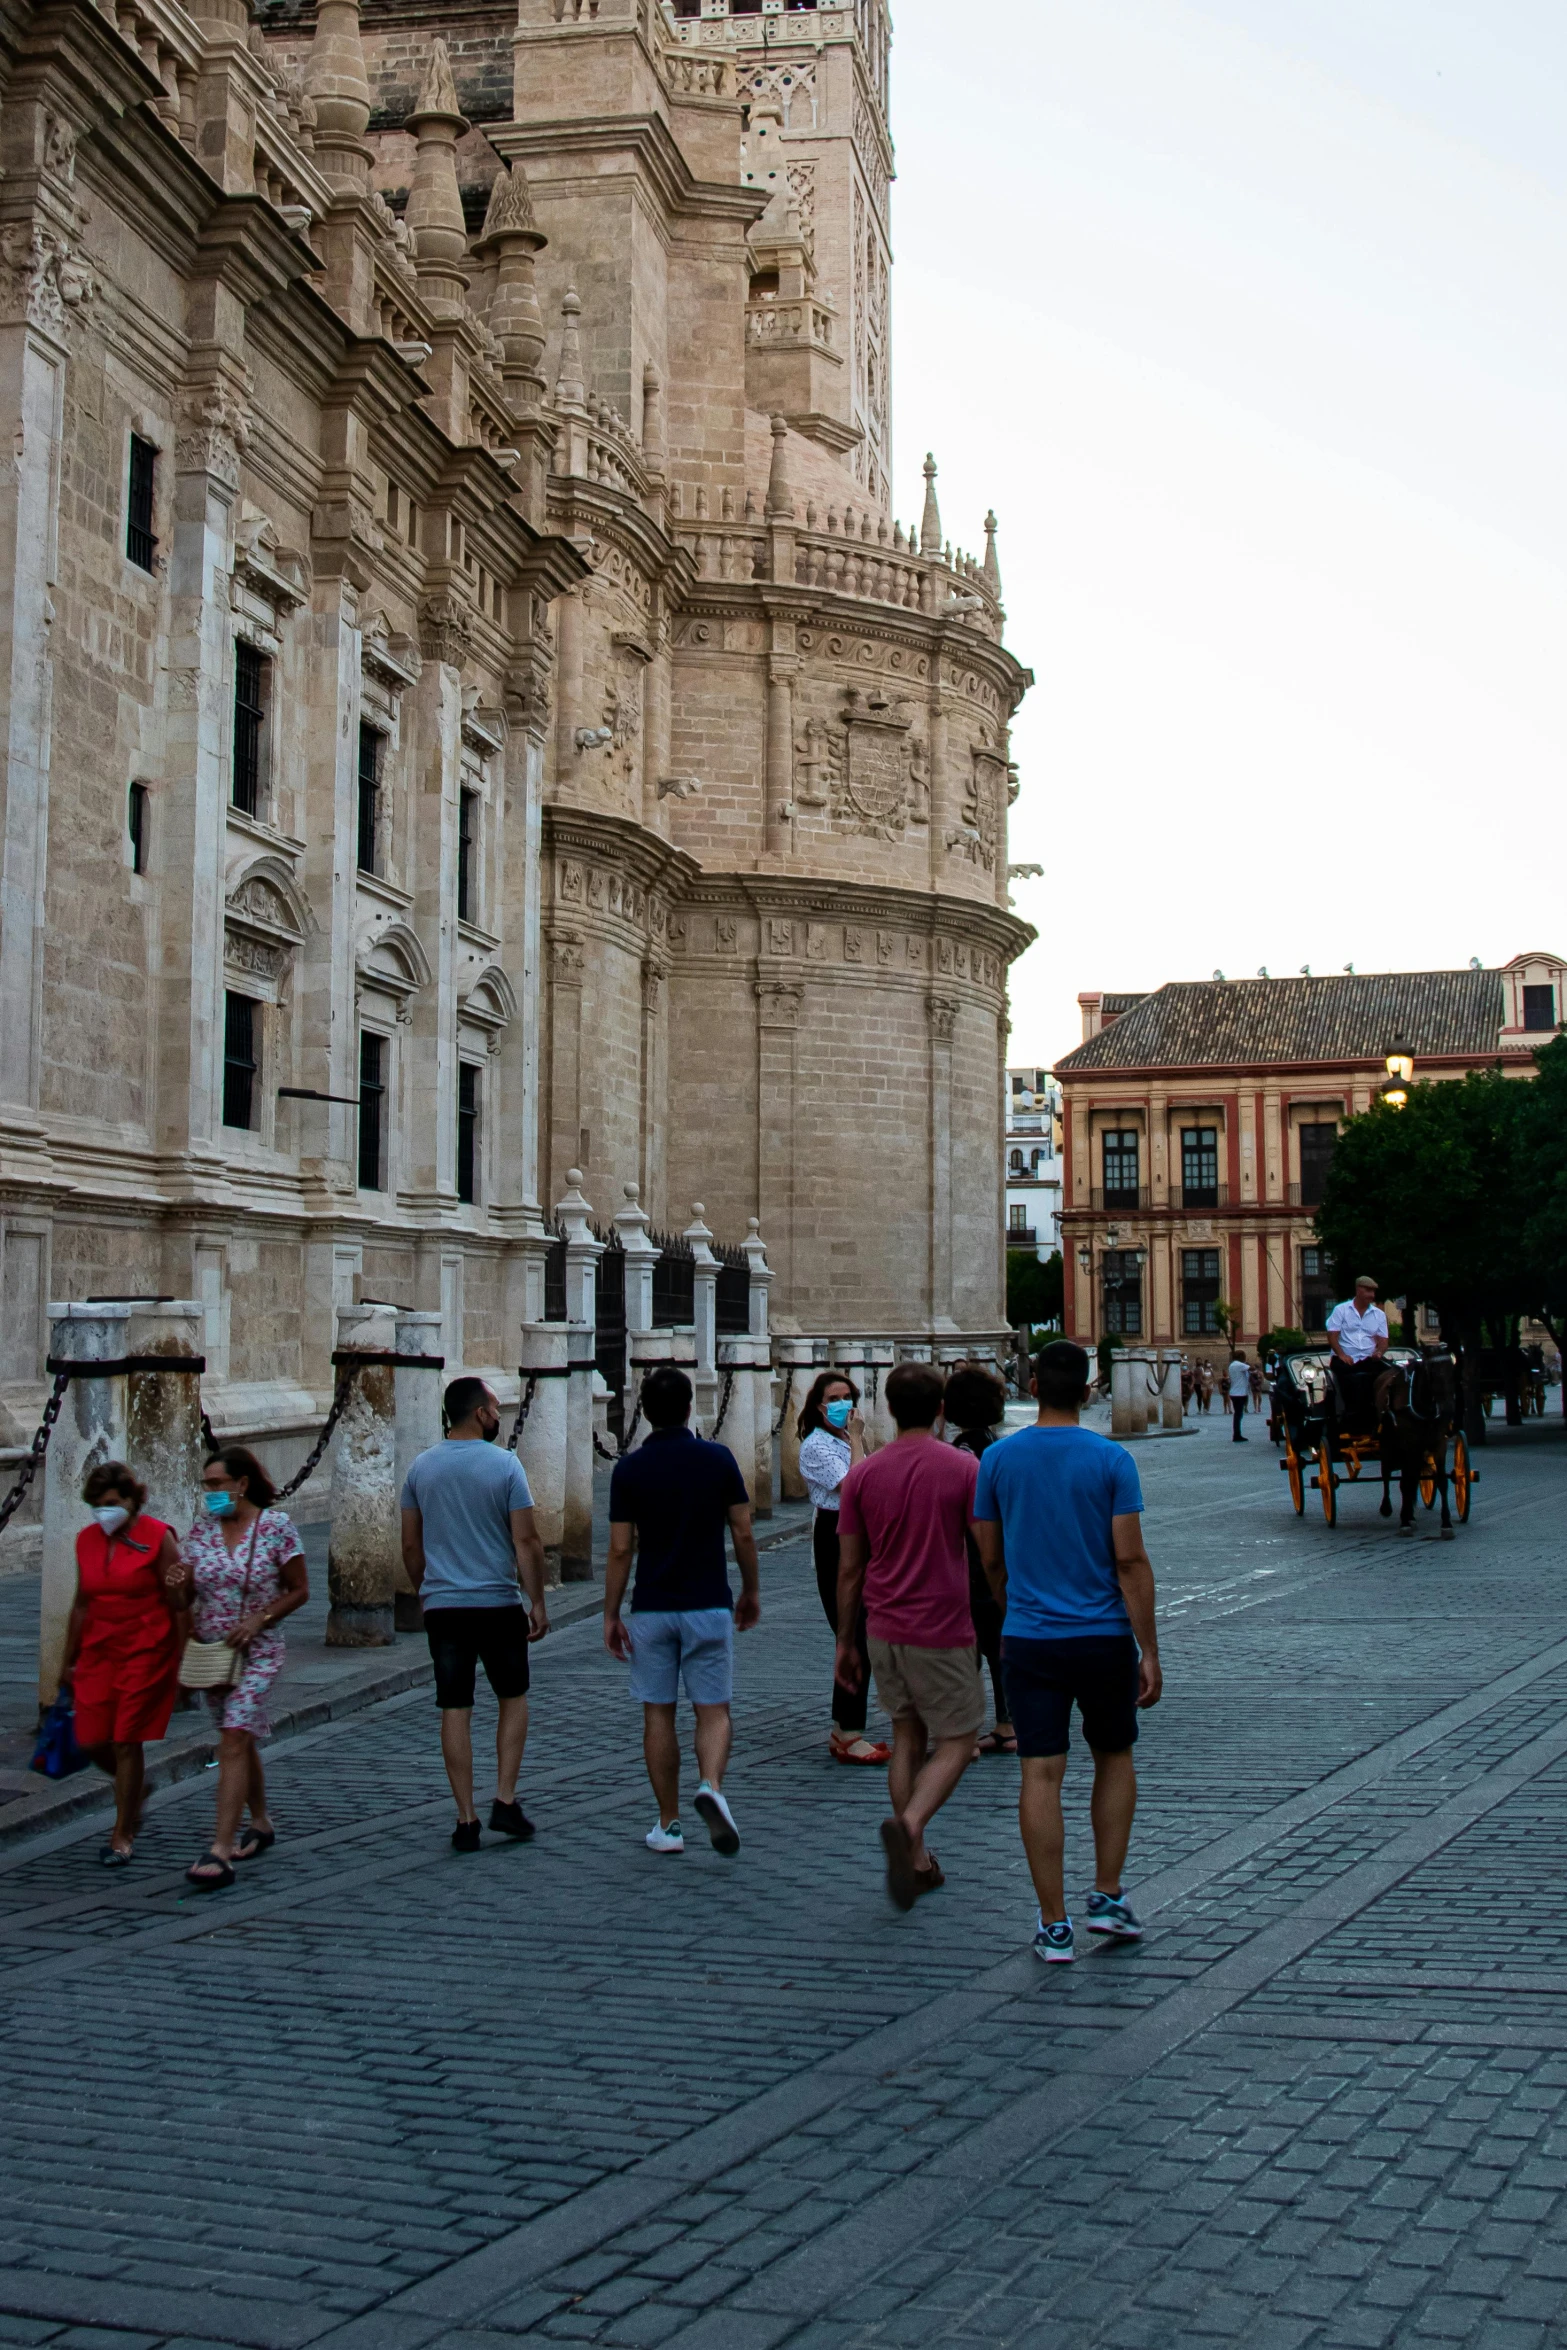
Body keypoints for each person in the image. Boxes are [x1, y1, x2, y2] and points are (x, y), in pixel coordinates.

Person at [972, 1340, 1162, 1963]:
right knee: (1113, 1756)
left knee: (1040, 1771)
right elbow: (1129, 1558)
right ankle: (1106, 1895)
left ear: (1031, 1383)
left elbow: (990, 1557)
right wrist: (1149, 1648)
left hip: (1029, 1637)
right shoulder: (1113, 1460)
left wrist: (1011, 1607)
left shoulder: (997, 1461)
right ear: (1089, 1391)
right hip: (1103, 1636)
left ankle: (1053, 1924)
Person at [835, 1361, 982, 1909]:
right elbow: (986, 1547)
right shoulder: (962, 1468)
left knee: (907, 1735)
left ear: (888, 1410)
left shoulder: (863, 1475)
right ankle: (910, 1824)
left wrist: (846, 1641)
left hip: (883, 1626)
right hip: (941, 1625)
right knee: (961, 1740)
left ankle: (917, 1860)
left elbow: (849, 1568)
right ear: (941, 1408)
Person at [604, 1366, 760, 1856]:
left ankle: (669, 1824)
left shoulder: (628, 1470)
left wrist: (611, 1612)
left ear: (643, 1413)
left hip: (652, 1606)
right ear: (691, 1406)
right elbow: (743, 1531)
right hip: (708, 1602)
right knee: (713, 1710)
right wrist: (751, 1589)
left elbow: (621, 1548)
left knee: (658, 1713)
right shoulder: (717, 1460)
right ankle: (711, 1786)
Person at [401, 1376, 550, 1853]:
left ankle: (465, 1819)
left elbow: (410, 1543)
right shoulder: (505, 1465)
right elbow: (525, 1540)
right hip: (498, 1603)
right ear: (480, 1413)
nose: (498, 1414)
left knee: (454, 1706)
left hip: (445, 1606)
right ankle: (504, 1798)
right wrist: (538, 1601)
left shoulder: (421, 1468)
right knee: (512, 1696)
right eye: (494, 1406)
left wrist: (428, 1587)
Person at [182, 1446, 309, 1890]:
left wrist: (261, 1619)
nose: (211, 1493)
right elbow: (185, 1595)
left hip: (259, 1649)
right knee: (241, 1736)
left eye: (218, 1484)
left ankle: (220, 1848)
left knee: (234, 1736)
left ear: (241, 1483)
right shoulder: (201, 1532)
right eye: (206, 1486)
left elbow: (299, 1589)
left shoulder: (276, 1528)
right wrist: (177, 1586)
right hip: (214, 1653)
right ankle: (260, 1821)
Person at [60, 1462, 185, 1866]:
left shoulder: (158, 1537)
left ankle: (122, 1831)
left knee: (126, 1737)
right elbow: (82, 1603)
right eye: (97, 1505)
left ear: (133, 1501)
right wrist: (69, 1658)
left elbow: (179, 1602)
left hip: (146, 1648)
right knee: (90, 1737)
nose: (104, 1511)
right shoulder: (87, 1541)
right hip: (99, 1649)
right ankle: (133, 1790)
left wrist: (183, 1656)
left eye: (112, 1503)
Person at [796, 1369, 889, 1765]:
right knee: (852, 1635)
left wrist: (857, 1440)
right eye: (835, 1398)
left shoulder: (844, 1441)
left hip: (859, 1534)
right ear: (819, 1406)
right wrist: (856, 1440)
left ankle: (844, 1729)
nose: (844, 1405)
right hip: (835, 1534)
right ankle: (849, 1732)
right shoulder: (816, 1445)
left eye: (848, 1396)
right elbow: (852, 1487)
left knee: (860, 1634)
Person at [943, 1361, 1015, 1756]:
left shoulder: (961, 1451)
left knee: (967, 1648)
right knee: (999, 1644)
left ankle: (965, 1730)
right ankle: (1007, 1723)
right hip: (1002, 1553)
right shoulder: (997, 1444)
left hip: (969, 1559)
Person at [1226, 1351, 1251, 1441]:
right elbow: (1251, 1368)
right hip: (1238, 1393)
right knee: (1238, 1415)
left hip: (1237, 1392)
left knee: (1238, 1414)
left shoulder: (1232, 1365)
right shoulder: (1238, 1365)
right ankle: (1237, 1435)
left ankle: (1237, 1434)